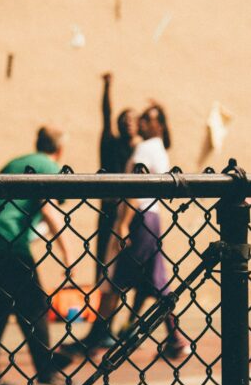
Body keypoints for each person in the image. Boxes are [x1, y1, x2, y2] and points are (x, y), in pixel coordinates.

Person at [65, 102, 188, 360]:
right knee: (158, 282)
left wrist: (123, 222)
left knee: (115, 280)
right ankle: (176, 340)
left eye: (147, 118)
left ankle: (94, 340)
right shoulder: (159, 149)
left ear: (159, 125)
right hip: (152, 217)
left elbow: (137, 182)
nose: (141, 122)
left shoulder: (145, 148)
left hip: (138, 217)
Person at [0, 126, 73, 385]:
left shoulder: (15, 163)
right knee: (34, 307)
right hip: (9, 242)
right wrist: (69, 255)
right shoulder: (49, 166)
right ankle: (47, 373)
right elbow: (49, 208)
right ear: (60, 150)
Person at [96, 72, 141, 284]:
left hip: (131, 212)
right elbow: (106, 115)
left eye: (133, 119)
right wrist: (107, 87)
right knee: (105, 262)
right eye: (125, 119)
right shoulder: (110, 144)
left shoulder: (141, 150)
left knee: (131, 265)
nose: (128, 122)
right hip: (110, 209)